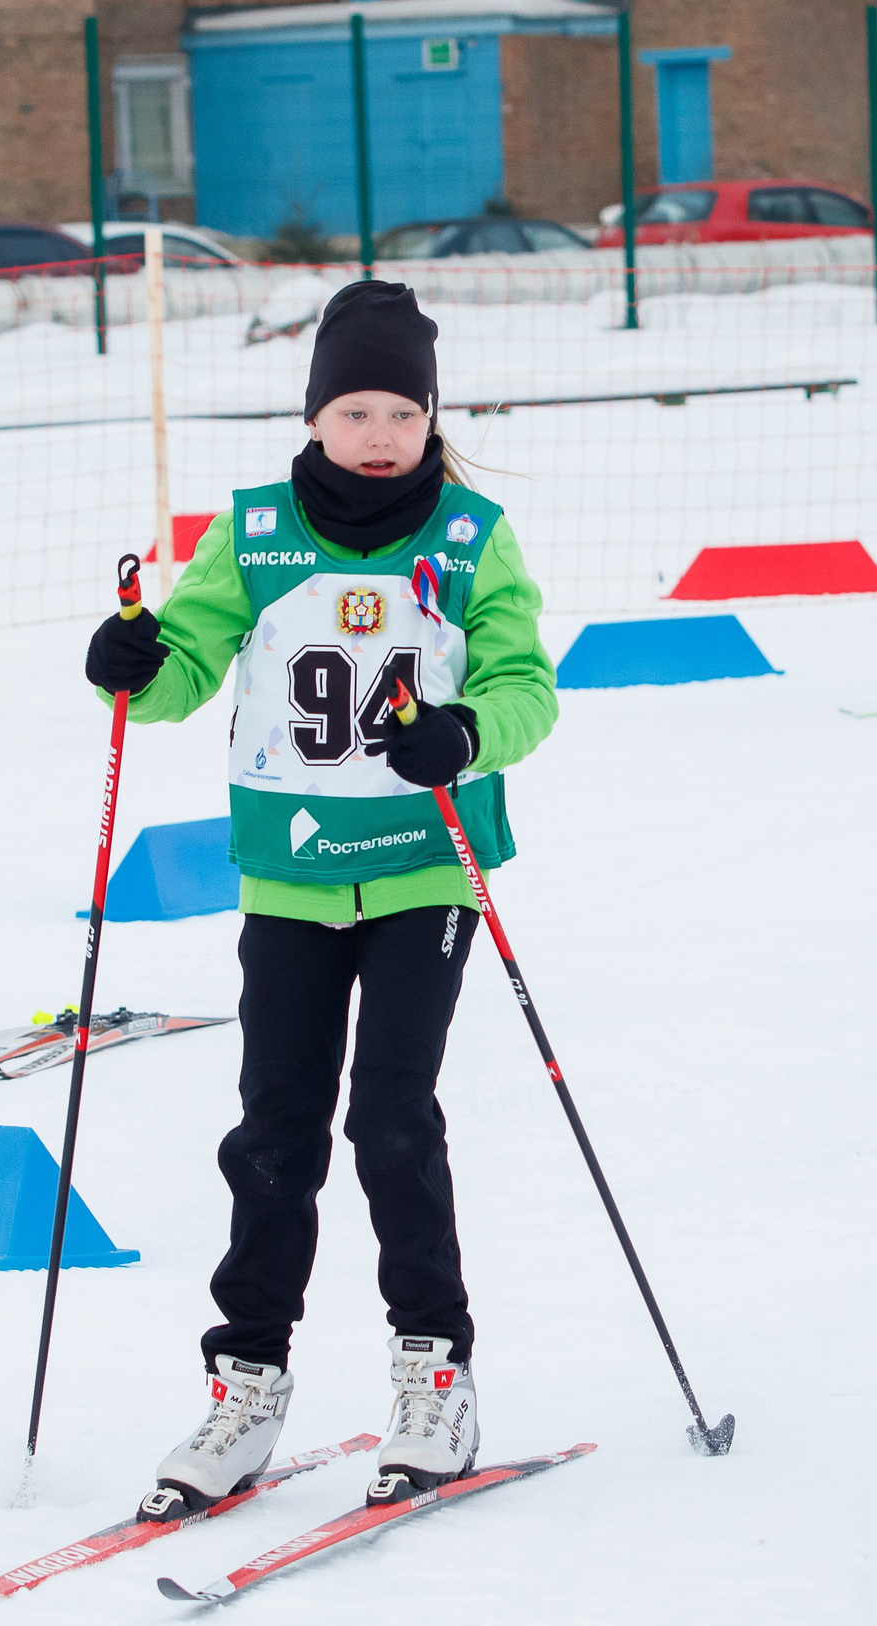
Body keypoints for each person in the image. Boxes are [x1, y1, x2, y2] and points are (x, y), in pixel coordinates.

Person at [82, 280, 558, 1519]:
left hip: (422, 867)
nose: (381, 433)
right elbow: (183, 665)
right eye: (355, 408)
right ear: (315, 416)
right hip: (288, 873)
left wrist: (465, 731)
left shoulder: (468, 537)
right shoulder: (248, 533)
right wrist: (132, 665)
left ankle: (433, 1372)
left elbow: (526, 688)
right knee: (273, 1132)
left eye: (403, 409)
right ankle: (245, 1385)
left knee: (392, 1119)